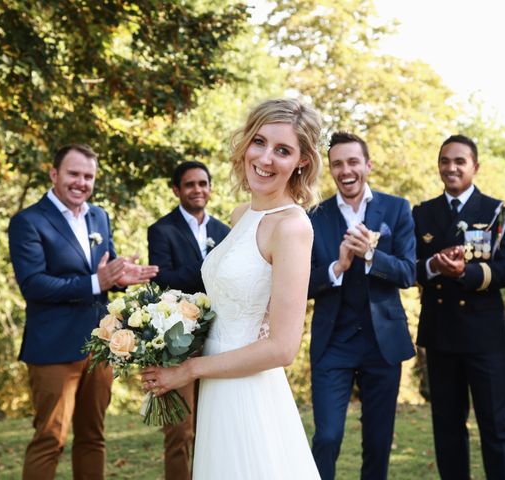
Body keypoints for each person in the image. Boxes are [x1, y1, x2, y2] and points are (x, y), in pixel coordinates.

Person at [141, 98, 322, 479]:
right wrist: (167, 338)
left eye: (283, 150)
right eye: (259, 141)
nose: (266, 158)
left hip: (250, 394)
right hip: (217, 389)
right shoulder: (241, 215)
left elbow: (283, 348)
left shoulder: (291, 227)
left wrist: (188, 370)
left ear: (302, 161)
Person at [8, 144, 159, 480]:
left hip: (99, 345)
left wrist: (121, 279)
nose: (81, 182)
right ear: (54, 174)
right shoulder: (28, 222)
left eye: (88, 176)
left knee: (93, 437)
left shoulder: (99, 217)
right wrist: (96, 281)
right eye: (74, 174)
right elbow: (33, 285)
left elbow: (104, 271)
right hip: (53, 349)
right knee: (50, 438)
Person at [307, 131, 416, 480]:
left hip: (381, 344)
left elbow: (408, 272)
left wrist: (371, 254)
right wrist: (337, 267)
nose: (345, 170)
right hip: (332, 344)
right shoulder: (313, 216)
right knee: (327, 435)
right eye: (337, 164)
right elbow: (300, 283)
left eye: (353, 161)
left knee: (378, 442)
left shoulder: (397, 209)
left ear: (367, 165)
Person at [412, 134, 505, 479]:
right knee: (446, 426)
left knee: (496, 423)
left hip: (483, 335)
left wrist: (467, 273)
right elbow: (409, 267)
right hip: (441, 333)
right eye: (445, 161)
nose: (451, 167)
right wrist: (433, 266)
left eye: (460, 161)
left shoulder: (499, 212)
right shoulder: (422, 213)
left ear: (475, 166)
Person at [147, 160, 230, 480]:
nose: (198, 190)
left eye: (203, 183)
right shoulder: (161, 230)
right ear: (176, 190)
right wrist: (207, 268)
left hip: (218, 336)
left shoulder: (223, 231)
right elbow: (163, 281)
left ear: (210, 188)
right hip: (177, 339)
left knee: (214, 428)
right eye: (190, 184)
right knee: (180, 431)